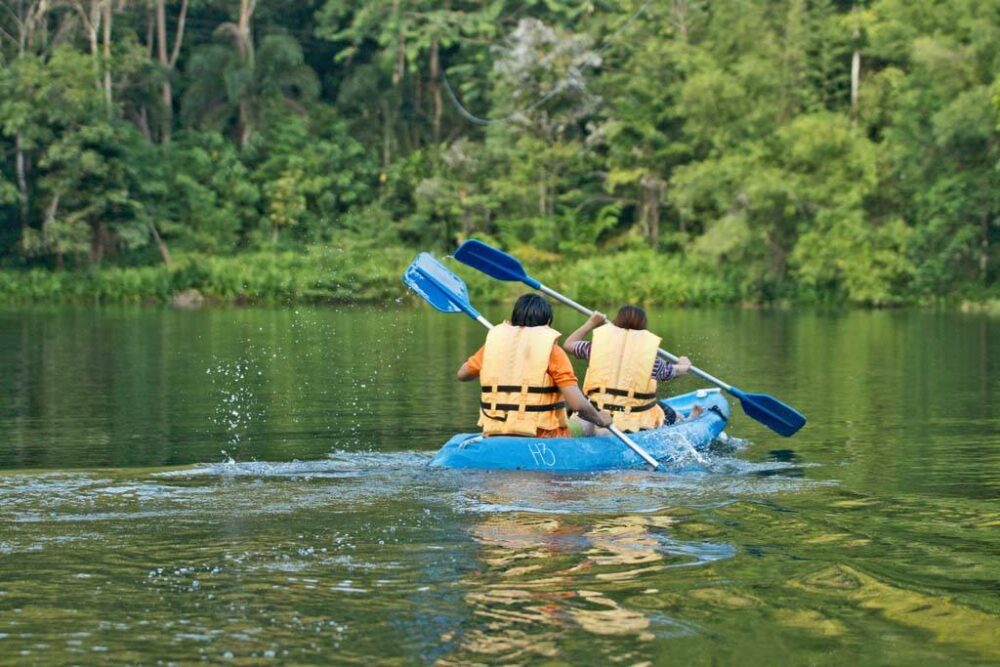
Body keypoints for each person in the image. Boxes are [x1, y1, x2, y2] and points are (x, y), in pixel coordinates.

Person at [456, 294, 612, 437]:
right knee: (587, 422)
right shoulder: (552, 351)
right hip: (543, 436)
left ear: (512, 320)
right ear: (548, 322)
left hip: (496, 432)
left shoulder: (493, 346)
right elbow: (579, 406)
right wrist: (600, 419)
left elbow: (462, 374)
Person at [563, 305, 696, 435]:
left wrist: (591, 323)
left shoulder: (594, 349)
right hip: (631, 421)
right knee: (668, 413)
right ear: (643, 327)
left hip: (597, 413)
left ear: (616, 322)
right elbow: (672, 372)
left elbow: (568, 344)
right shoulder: (649, 359)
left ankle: (598, 431)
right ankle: (688, 420)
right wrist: (684, 364)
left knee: (660, 407)